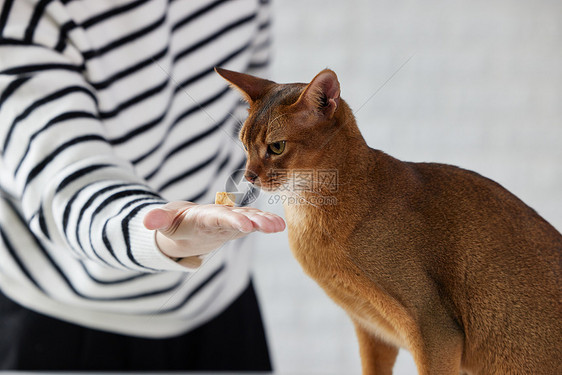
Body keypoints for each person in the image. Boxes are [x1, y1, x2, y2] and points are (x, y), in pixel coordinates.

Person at [0, 0, 284, 371]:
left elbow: (246, 114)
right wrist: (160, 232)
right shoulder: (25, 15)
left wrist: (228, 213)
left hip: (220, 301)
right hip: (63, 318)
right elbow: (65, 176)